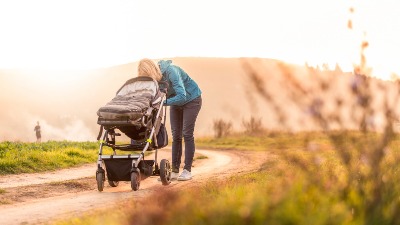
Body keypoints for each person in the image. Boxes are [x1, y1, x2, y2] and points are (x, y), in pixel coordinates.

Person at [137, 59, 202, 181]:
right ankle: (175, 171)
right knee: (176, 136)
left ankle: (187, 170)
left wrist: (163, 102)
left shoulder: (171, 71)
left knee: (187, 133)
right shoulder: (154, 79)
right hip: (175, 102)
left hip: (192, 100)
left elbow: (182, 96)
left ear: (152, 71)